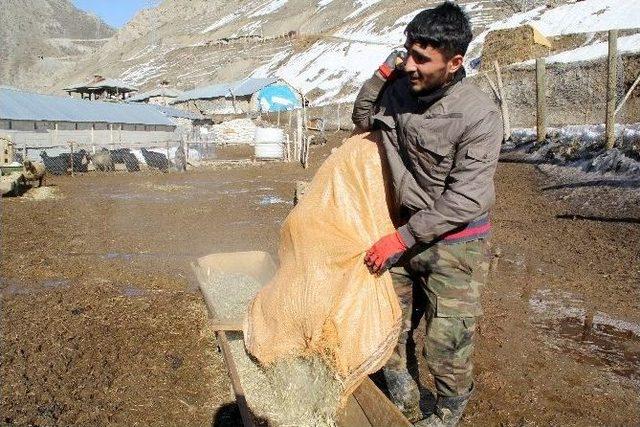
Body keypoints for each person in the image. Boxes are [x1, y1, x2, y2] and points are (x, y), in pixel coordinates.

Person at [352, 2, 503, 426]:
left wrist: (399, 239)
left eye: (422, 58)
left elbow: (466, 199)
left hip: (456, 245)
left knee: (447, 340)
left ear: (454, 62)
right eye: (407, 52)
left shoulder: (477, 114)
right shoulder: (400, 88)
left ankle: (448, 411)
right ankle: (400, 383)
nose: (410, 65)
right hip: (402, 233)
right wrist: (382, 74)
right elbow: (363, 118)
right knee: (388, 322)